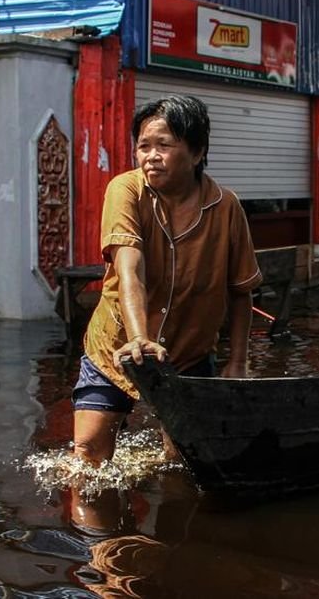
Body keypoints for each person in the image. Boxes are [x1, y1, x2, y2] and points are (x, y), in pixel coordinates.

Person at [73, 94, 262, 465]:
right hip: (116, 347)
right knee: (88, 457)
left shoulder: (226, 207)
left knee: (185, 462)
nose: (150, 156)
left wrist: (237, 362)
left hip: (189, 353)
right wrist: (139, 338)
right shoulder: (125, 190)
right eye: (143, 146)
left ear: (196, 152)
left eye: (164, 145)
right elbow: (130, 268)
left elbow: (241, 292)